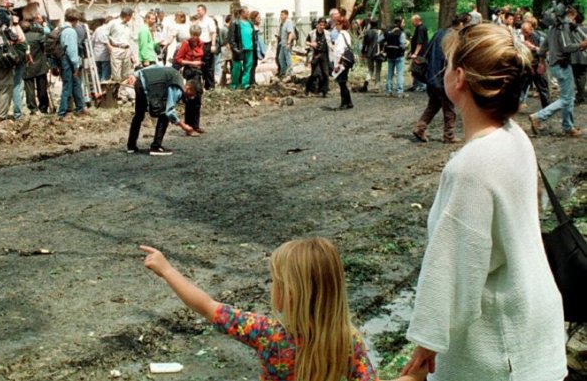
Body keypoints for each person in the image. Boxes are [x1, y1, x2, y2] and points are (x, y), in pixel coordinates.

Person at [401, 22, 568, 381]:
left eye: (447, 64)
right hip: (536, 330)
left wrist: (424, 350)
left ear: (459, 78)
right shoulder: (514, 136)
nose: (443, 71)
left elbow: (452, 269)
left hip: (498, 351)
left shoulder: (471, 168)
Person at [140, 238, 427, 381]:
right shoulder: (346, 340)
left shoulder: (267, 334)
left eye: (276, 281)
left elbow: (207, 307)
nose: (272, 286)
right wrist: (412, 376)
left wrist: (167, 270)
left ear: (289, 294)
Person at [529, 6, 587, 137]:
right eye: (572, 17)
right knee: (567, 98)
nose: (573, 20)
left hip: (556, 66)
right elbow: (566, 47)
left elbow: (543, 48)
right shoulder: (562, 28)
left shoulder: (552, 28)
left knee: (568, 97)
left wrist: (542, 63)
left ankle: (568, 126)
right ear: (570, 15)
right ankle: (538, 116)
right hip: (562, 66)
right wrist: (582, 45)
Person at [126, 65, 197, 156]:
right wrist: (184, 126)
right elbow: (170, 111)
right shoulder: (178, 86)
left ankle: (131, 146)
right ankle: (156, 146)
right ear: (188, 88)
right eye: (192, 94)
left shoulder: (173, 72)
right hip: (148, 88)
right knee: (164, 116)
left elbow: (154, 66)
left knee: (138, 116)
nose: (191, 98)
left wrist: (135, 74)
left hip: (139, 83)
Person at [411, 17, 462, 143]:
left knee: (434, 104)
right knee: (449, 107)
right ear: (460, 24)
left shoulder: (439, 32)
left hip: (431, 75)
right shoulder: (453, 37)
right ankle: (449, 136)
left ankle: (420, 127)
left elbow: (427, 50)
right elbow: (451, 58)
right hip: (443, 77)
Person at [174, 25, 205, 133]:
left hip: (198, 73)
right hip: (190, 72)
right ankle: (188, 126)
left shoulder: (201, 43)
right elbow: (178, 59)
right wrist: (192, 63)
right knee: (189, 99)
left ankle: (196, 125)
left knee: (198, 99)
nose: (195, 37)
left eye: (197, 35)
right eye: (193, 35)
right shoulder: (185, 44)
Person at [57, 9, 86, 120]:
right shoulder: (71, 32)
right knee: (68, 86)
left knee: (75, 84)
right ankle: (62, 112)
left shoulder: (61, 28)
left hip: (63, 59)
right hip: (68, 61)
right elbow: (72, 51)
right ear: (75, 20)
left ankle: (80, 107)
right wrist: (76, 65)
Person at [519, 20, 550, 109]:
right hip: (527, 65)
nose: (524, 34)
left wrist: (533, 47)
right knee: (521, 86)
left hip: (538, 64)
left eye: (526, 32)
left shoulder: (539, 37)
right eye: (523, 32)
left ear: (531, 29)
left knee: (543, 88)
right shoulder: (522, 37)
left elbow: (545, 51)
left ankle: (547, 108)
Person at [23, 19, 50, 114]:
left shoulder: (21, 38)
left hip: (27, 66)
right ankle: (43, 107)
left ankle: (32, 108)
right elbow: (45, 47)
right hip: (40, 64)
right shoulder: (38, 36)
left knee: (29, 88)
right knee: (42, 87)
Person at [108, 7, 136, 82]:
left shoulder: (128, 25)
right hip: (117, 49)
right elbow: (104, 36)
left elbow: (130, 40)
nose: (131, 18)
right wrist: (109, 47)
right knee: (116, 74)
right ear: (127, 15)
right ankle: (117, 88)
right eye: (131, 16)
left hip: (127, 50)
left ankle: (123, 88)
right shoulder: (113, 23)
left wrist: (132, 54)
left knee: (126, 74)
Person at [228, 7, 253, 90]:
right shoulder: (235, 23)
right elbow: (231, 37)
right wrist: (234, 48)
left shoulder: (250, 23)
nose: (248, 13)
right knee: (237, 66)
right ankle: (234, 83)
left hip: (250, 48)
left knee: (247, 67)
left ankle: (245, 84)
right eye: (247, 12)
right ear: (241, 13)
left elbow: (253, 36)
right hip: (239, 48)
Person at [383, 17, 408, 98]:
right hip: (399, 55)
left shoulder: (387, 32)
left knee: (390, 73)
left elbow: (379, 40)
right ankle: (399, 91)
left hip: (390, 55)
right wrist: (406, 45)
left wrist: (386, 43)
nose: (404, 24)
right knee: (400, 73)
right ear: (399, 23)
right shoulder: (401, 33)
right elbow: (402, 45)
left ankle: (388, 91)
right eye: (403, 22)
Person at [305, 18, 330, 97]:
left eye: (323, 25)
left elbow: (331, 43)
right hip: (315, 55)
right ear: (317, 25)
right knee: (314, 74)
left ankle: (324, 91)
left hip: (324, 55)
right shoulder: (312, 33)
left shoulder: (328, 34)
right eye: (320, 25)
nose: (322, 27)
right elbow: (306, 42)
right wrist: (311, 44)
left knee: (325, 74)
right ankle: (307, 89)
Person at [332, 19, 353, 109]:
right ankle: (349, 102)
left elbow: (340, 51)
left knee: (341, 82)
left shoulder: (341, 35)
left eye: (337, 24)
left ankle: (344, 103)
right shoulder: (346, 34)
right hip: (347, 60)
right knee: (343, 81)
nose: (336, 26)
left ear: (342, 25)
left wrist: (337, 64)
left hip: (342, 61)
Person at [196, 4, 217, 90]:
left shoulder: (209, 20)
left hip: (207, 44)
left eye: (199, 10)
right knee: (200, 66)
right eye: (197, 10)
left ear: (204, 11)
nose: (198, 12)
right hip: (198, 45)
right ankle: (202, 85)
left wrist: (213, 45)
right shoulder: (198, 21)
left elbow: (213, 33)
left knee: (208, 66)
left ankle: (210, 86)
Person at [361, 19, 384, 92]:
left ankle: (366, 81)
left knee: (370, 70)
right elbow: (382, 42)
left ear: (370, 24)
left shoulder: (367, 32)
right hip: (377, 53)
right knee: (378, 71)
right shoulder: (380, 32)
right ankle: (376, 87)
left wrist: (363, 52)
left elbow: (364, 44)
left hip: (369, 53)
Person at [409, 15, 428, 92]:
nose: (412, 23)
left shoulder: (421, 29)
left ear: (417, 20)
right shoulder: (418, 28)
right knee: (415, 69)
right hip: (418, 52)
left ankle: (422, 86)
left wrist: (415, 53)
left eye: (412, 21)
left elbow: (419, 42)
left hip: (420, 53)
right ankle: (416, 85)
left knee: (419, 69)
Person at [91, 16, 112, 82]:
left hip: (96, 54)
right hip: (105, 54)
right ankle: (103, 85)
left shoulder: (98, 29)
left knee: (98, 73)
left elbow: (92, 40)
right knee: (105, 75)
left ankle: (98, 85)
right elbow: (107, 42)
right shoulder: (107, 29)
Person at [276, 9, 296, 78]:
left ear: (286, 15)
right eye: (280, 15)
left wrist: (288, 43)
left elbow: (291, 33)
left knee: (288, 58)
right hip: (283, 43)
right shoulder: (283, 23)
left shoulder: (288, 22)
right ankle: (283, 72)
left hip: (287, 44)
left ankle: (290, 73)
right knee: (280, 58)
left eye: (282, 15)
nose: (281, 16)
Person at [248, 10, 265, 87]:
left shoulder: (256, 27)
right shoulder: (252, 27)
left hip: (256, 48)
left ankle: (253, 80)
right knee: (252, 65)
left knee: (254, 64)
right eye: (258, 17)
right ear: (254, 18)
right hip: (253, 48)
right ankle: (251, 81)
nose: (260, 19)